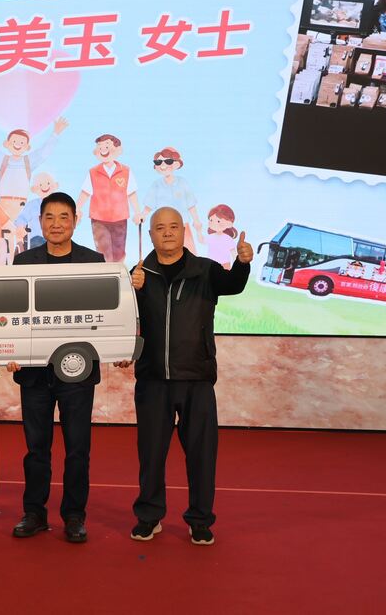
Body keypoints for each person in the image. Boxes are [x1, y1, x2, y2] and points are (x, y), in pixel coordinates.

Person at [123, 206, 252, 546]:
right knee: (151, 455)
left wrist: (242, 263)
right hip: (152, 380)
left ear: (184, 231)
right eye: (160, 227)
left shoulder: (205, 270)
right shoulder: (138, 274)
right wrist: (132, 289)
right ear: (151, 234)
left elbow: (233, 285)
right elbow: (125, 320)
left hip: (197, 378)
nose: (167, 232)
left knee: (201, 455)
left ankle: (200, 520)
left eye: (173, 226)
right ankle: (149, 516)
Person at [8, 191, 105, 544]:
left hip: (76, 370)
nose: (56, 224)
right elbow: (14, 314)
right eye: (49, 217)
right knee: (36, 448)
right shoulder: (24, 262)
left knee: (77, 448)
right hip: (34, 372)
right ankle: (34, 512)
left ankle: (74, 515)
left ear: (75, 221)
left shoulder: (93, 261)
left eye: (64, 217)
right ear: (40, 222)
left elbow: (102, 315)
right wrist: (11, 349)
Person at [0, 114, 68, 222]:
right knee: (3, 229)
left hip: (21, 205)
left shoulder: (28, 161)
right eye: (14, 141)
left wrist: (55, 134)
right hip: (4, 203)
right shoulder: (3, 160)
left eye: (22, 142)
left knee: (21, 229)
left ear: (27, 147)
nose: (18, 144)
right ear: (7, 144)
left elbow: (43, 152)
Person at [76, 134, 141, 263]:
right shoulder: (93, 172)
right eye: (100, 147)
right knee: (103, 251)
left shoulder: (126, 171)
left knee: (119, 251)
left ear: (118, 149)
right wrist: (77, 209)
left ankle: (118, 273)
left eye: (106, 146)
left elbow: (131, 193)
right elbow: (85, 192)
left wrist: (137, 212)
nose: (103, 150)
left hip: (120, 218)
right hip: (99, 219)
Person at [141, 147, 204, 255]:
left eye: (168, 161)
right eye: (159, 162)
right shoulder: (156, 185)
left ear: (176, 164)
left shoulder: (183, 183)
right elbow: (149, 205)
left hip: (183, 227)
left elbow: (191, 205)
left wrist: (197, 223)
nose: (163, 165)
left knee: (189, 254)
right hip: (162, 228)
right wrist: (143, 215)